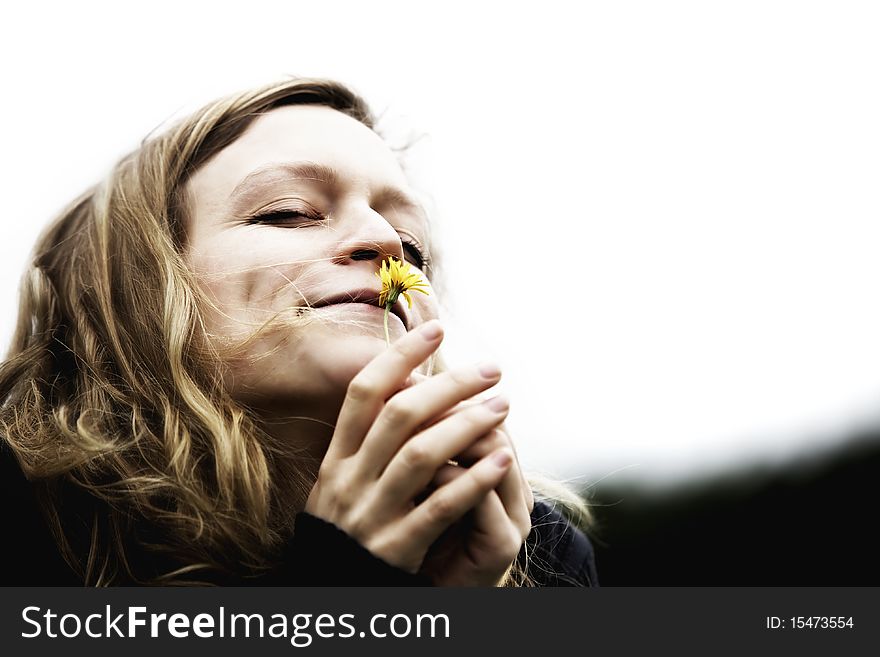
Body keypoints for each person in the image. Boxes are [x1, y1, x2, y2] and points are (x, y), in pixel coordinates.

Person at [0, 77, 598, 587]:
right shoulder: (27, 507)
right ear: (130, 285)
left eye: (412, 247)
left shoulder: (535, 552)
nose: (387, 244)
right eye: (287, 211)